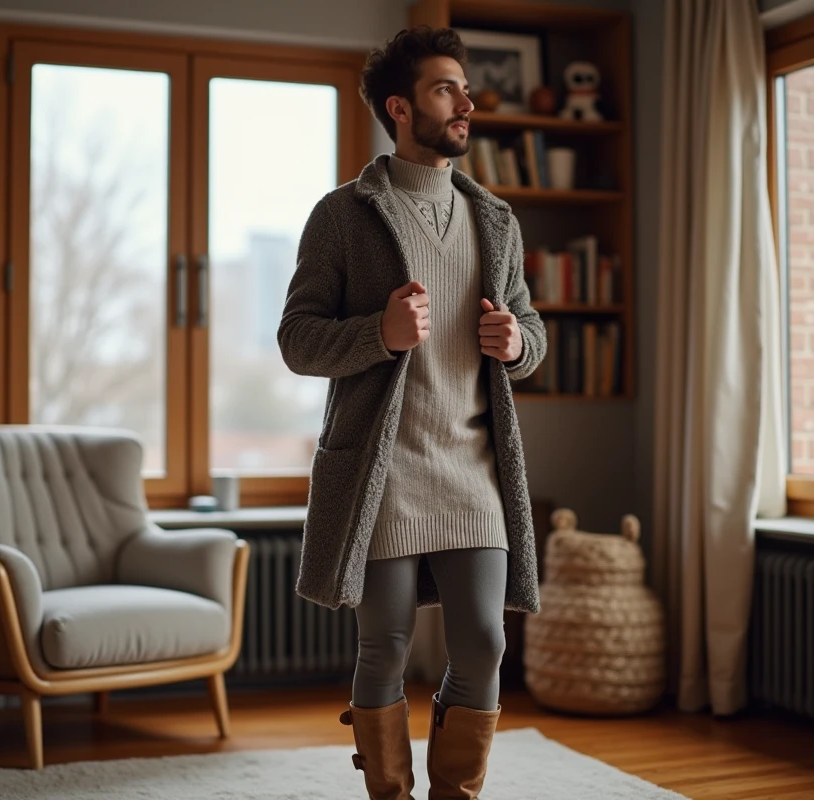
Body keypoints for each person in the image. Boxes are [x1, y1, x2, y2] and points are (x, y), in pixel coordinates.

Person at [277, 25, 546, 800]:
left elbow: (531, 332)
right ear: (400, 107)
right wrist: (378, 334)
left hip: (474, 470)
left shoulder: (495, 217)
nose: (467, 102)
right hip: (382, 470)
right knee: (384, 645)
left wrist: (516, 344)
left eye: (464, 88)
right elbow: (298, 339)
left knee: (486, 642)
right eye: (445, 89)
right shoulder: (342, 214)